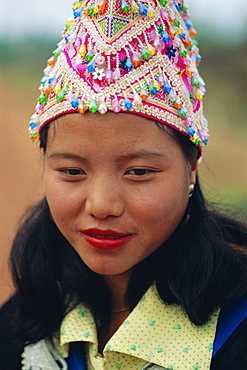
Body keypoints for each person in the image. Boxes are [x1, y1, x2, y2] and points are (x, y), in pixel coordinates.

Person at [0, 0, 247, 369]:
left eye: (139, 172)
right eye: (72, 172)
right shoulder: (25, 323)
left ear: (192, 167)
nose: (101, 206)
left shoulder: (236, 328)